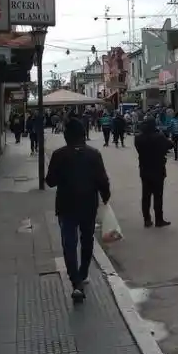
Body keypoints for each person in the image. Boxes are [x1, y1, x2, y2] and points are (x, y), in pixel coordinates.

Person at [45, 118, 111, 303]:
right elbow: (103, 180)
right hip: (88, 205)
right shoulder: (94, 154)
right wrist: (105, 196)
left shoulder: (59, 155)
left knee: (69, 243)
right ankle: (83, 273)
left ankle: (76, 283)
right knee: (87, 239)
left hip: (66, 205)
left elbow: (50, 181)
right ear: (83, 135)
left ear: (66, 136)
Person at [134, 117, 173, 228]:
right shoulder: (159, 136)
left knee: (145, 196)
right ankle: (159, 220)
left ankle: (147, 220)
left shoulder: (138, 138)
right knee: (158, 196)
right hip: (158, 169)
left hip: (144, 169)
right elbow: (170, 145)